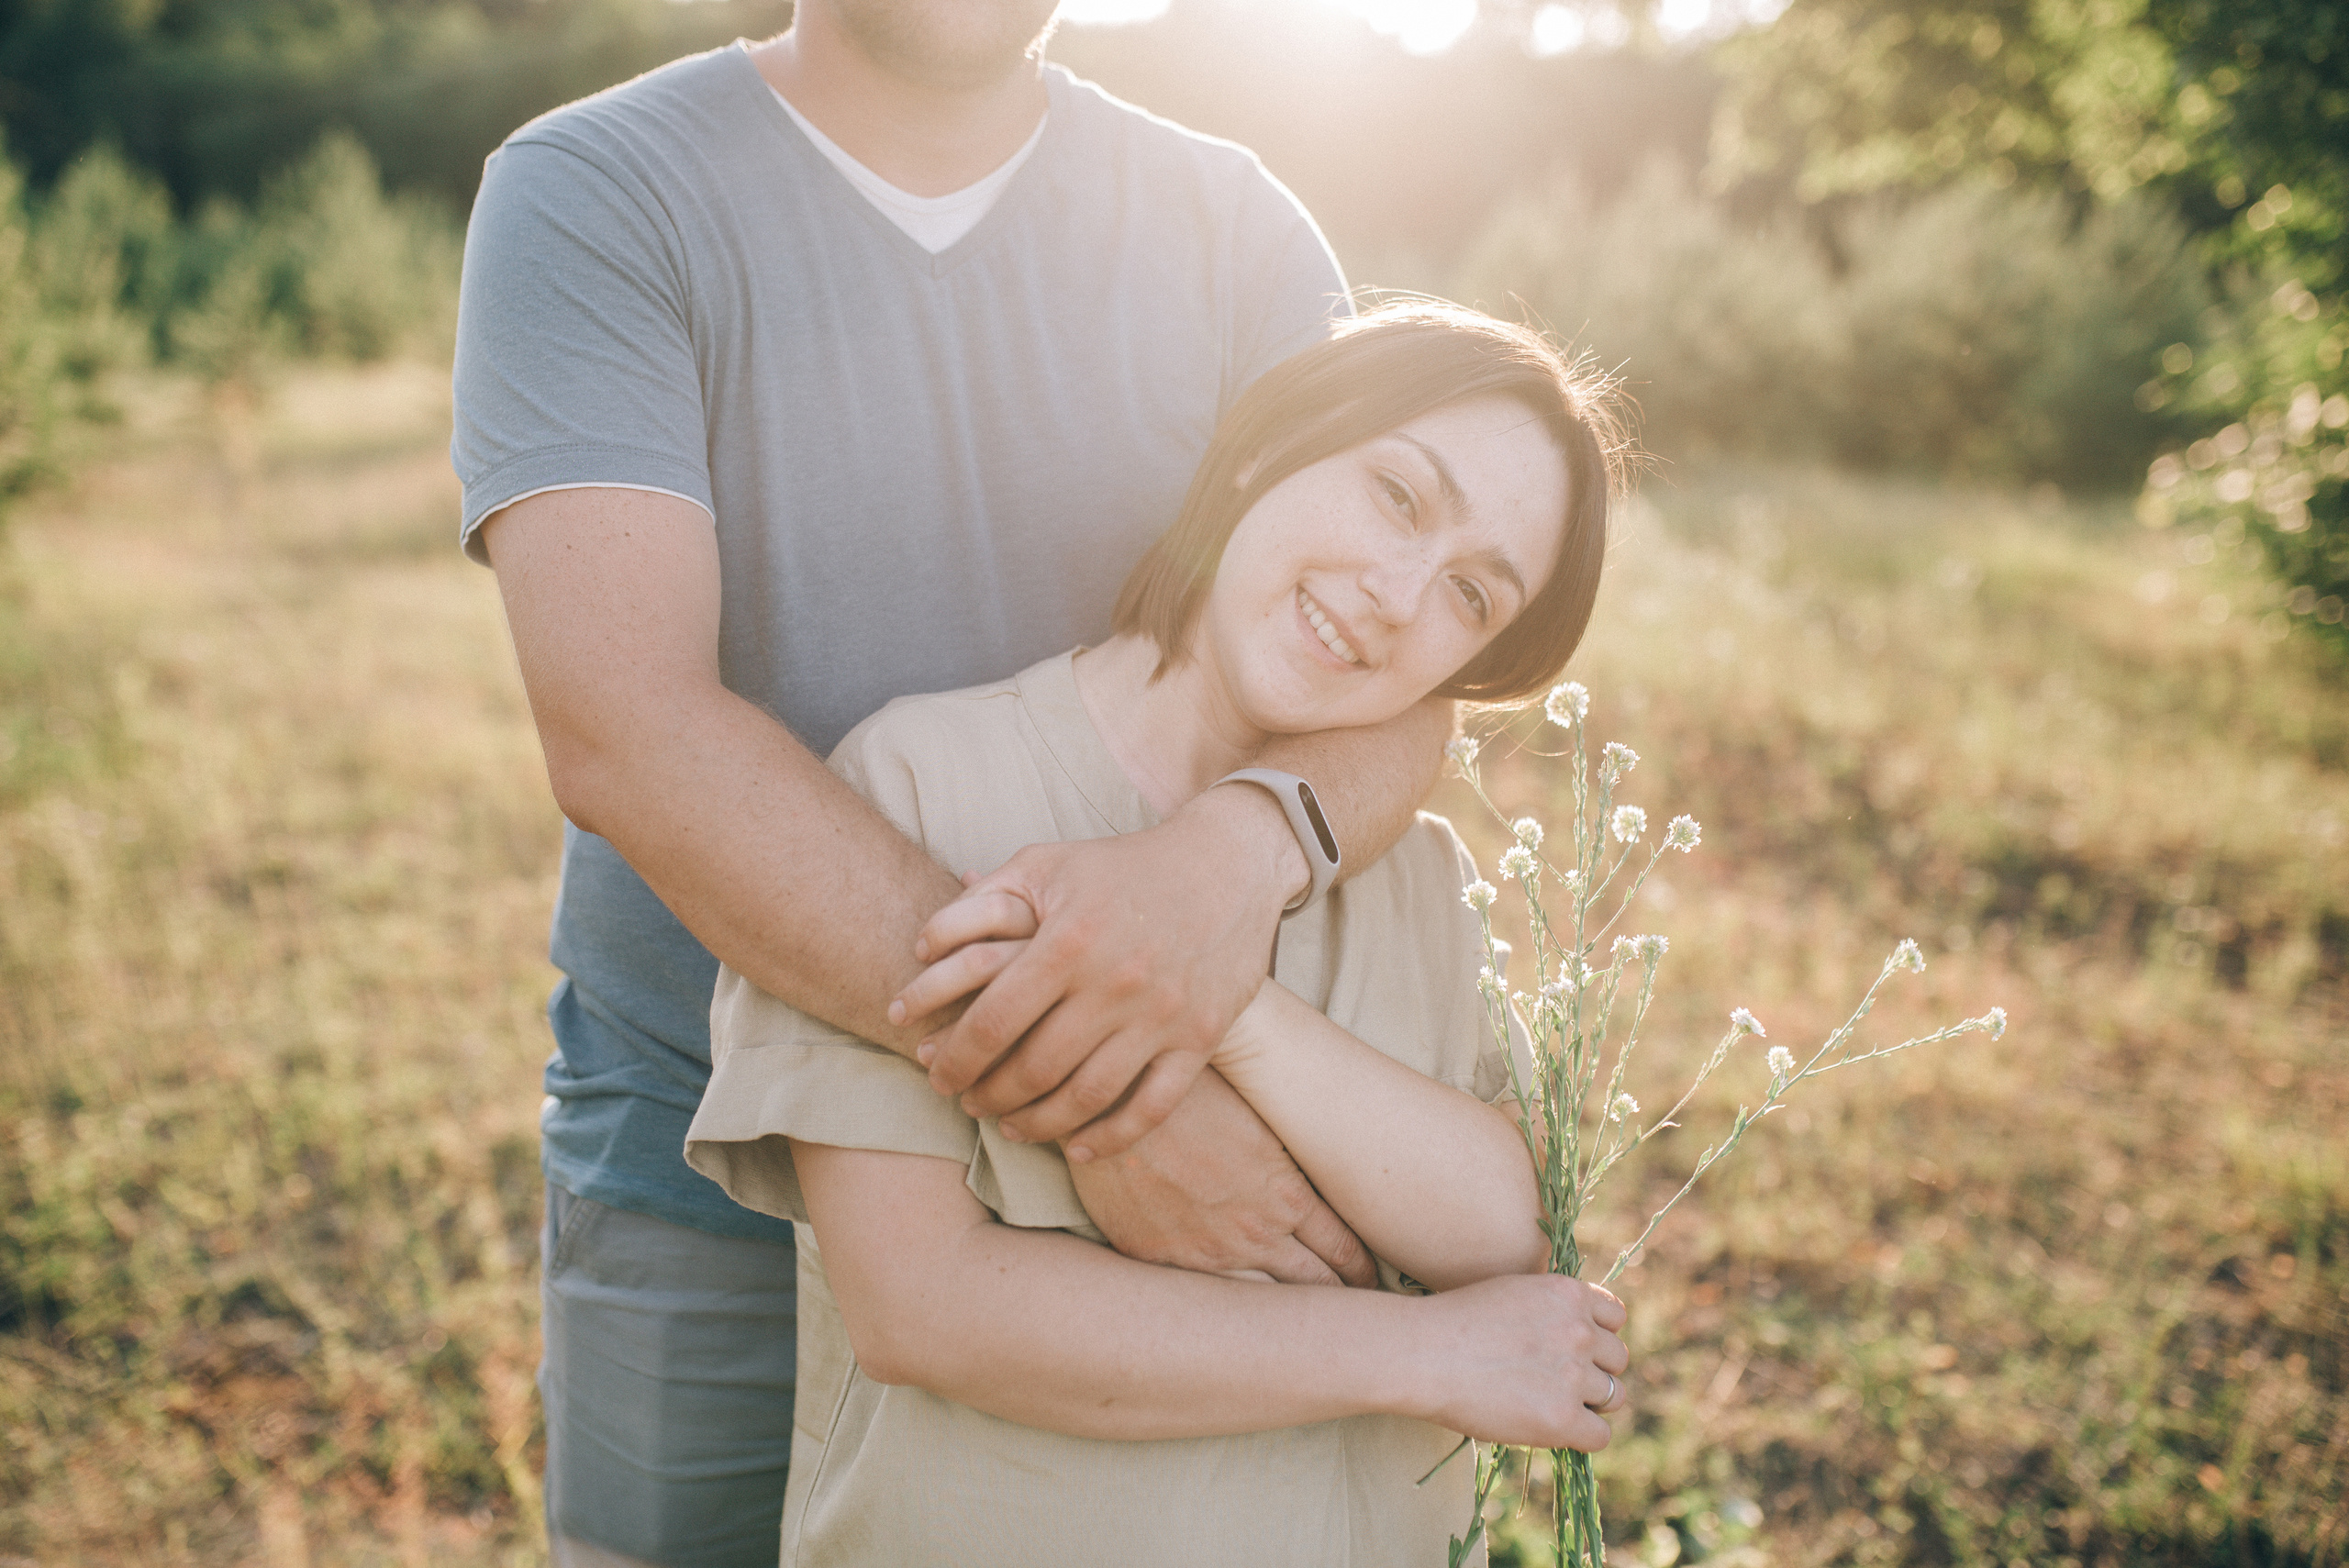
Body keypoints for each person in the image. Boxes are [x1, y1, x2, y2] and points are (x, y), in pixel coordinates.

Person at [453, 4, 1462, 1562]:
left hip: (1147, 1204)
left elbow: (1398, 675)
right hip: (713, 1170)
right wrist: (1094, 1096)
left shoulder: (1236, 234)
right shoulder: (599, 189)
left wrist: (1233, 856)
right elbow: (627, 724)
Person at [683, 305, 1636, 1567]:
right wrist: (1422, 1353)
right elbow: (922, 1308)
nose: (1399, 598)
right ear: (1267, 449)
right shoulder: (919, 783)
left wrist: (1214, 985)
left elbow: (1504, 1231)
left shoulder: (1426, 879)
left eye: (1471, 594)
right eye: (1399, 496)